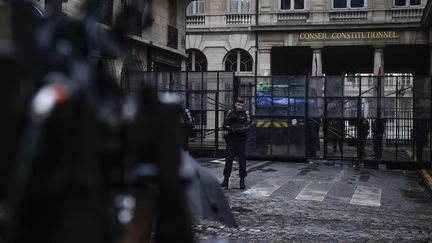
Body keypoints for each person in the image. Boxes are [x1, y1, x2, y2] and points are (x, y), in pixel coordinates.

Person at [220, 98, 251, 189]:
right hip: (231, 140)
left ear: (243, 105)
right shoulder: (230, 112)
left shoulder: (246, 114)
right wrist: (230, 129)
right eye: (238, 104)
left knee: (242, 162)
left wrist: (240, 130)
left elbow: (249, 126)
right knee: (228, 161)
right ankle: (226, 180)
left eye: (241, 105)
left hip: (241, 140)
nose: (240, 107)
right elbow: (224, 124)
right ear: (235, 104)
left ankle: (242, 181)